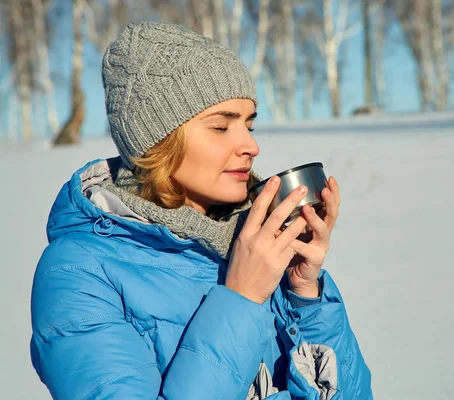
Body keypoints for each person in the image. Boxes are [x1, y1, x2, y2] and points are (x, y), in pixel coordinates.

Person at [30, 21, 372, 399]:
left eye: (249, 125)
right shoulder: (79, 272)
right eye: (221, 127)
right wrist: (241, 299)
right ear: (160, 140)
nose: (250, 146)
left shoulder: (250, 243)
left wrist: (304, 294)